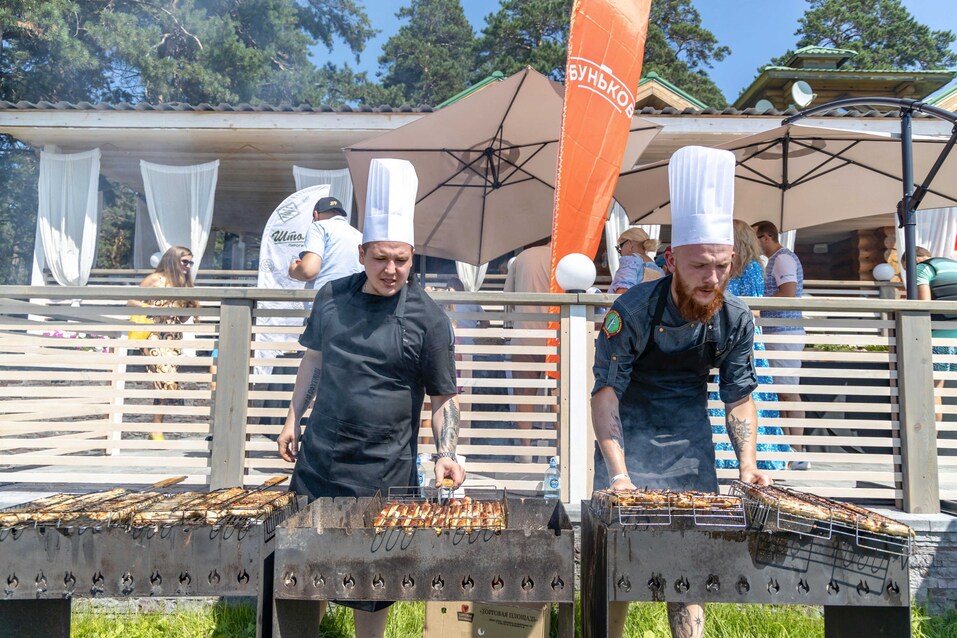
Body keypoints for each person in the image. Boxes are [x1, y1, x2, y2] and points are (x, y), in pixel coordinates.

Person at [277, 159, 464, 638]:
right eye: (381, 258)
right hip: (321, 459)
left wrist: (446, 455)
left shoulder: (429, 319)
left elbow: (443, 396)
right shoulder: (331, 299)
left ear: (412, 256)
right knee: (304, 567)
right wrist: (292, 417)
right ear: (361, 253)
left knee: (372, 576)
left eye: (401, 259)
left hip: (385, 467)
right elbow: (313, 360)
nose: (391, 270)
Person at [592, 147, 771, 638]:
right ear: (671, 260)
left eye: (720, 267)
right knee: (617, 570)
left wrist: (748, 464)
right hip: (625, 444)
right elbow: (605, 393)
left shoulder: (734, 317)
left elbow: (738, 397)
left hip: (691, 447)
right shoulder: (629, 312)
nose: (711, 280)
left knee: (688, 569)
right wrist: (621, 476)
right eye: (698, 267)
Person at [709, 220, 790, 471]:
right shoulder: (724, 269)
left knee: (749, 394)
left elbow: (753, 308)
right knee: (720, 395)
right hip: (721, 336)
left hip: (744, 337)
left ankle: (758, 459)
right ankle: (722, 456)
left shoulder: (753, 268)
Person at [752, 220, 808, 471]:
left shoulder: (783, 259)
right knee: (781, 392)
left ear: (765, 237)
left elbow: (788, 292)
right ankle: (790, 451)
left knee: (787, 390)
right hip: (778, 331)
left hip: (785, 331)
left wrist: (757, 303)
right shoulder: (777, 260)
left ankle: (798, 451)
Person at [128, 246, 199, 441]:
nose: (188, 266)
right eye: (185, 261)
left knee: (169, 380)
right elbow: (132, 301)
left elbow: (183, 318)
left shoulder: (184, 284)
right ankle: (156, 428)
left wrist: (191, 308)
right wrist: (154, 308)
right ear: (173, 259)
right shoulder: (155, 279)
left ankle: (156, 425)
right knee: (164, 376)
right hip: (152, 332)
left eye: (190, 262)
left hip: (172, 336)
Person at [503, 242, 552, 460]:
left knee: (524, 397)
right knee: (560, 398)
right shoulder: (565, 257)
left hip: (524, 336)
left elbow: (508, 299)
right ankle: (560, 454)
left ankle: (525, 454)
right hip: (557, 338)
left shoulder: (522, 257)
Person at [912, 246, 957, 423]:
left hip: (939, 340)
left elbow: (924, 306)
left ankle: (932, 444)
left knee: (930, 393)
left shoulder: (922, 269)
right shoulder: (953, 266)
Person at [287, 195, 363, 291]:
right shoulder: (360, 235)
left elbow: (308, 271)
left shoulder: (319, 227)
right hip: (354, 299)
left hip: (325, 300)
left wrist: (293, 270)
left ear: (316, 215)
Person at [610, 227, 664, 294]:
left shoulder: (630, 262)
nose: (620, 252)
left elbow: (622, 292)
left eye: (620, 246)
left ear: (629, 244)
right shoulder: (657, 269)